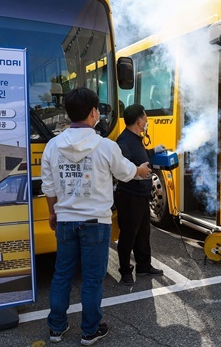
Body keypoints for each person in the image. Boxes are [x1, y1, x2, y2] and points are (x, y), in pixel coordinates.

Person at [41, 88, 151, 345]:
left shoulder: (52, 146)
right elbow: (127, 173)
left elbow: (48, 187)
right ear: (93, 112)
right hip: (96, 224)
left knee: (61, 276)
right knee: (92, 280)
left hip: (66, 221)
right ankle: (89, 331)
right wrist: (142, 170)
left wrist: (53, 214)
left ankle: (56, 328)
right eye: (97, 109)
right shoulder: (105, 146)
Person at [115, 104, 166, 286]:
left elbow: (141, 157)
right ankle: (125, 272)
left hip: (142, 195)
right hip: (129, 196)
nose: (146, 122)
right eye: (145, 118)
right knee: (128, 235)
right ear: (139, 121)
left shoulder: (136, 139)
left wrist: (154, 151)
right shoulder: (123, 143)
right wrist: (138, 172)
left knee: (143, 233)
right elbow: (122, 169)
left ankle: (144, 266)